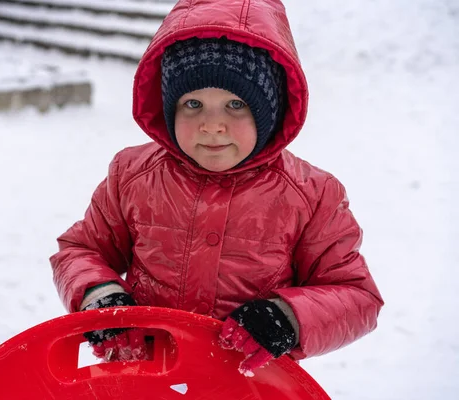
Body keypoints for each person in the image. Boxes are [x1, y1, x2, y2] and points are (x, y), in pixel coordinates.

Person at [50, 0, 384, 376]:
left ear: (268, 112)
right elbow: (82, 250)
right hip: (144, 377)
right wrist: (98, 294)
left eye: (235, 104)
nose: (212, 125)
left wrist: (289, 318)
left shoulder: (311, 195)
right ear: (169, 108)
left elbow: (357, 296)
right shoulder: (132, 175)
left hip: (247, 385)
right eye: (193, 103)